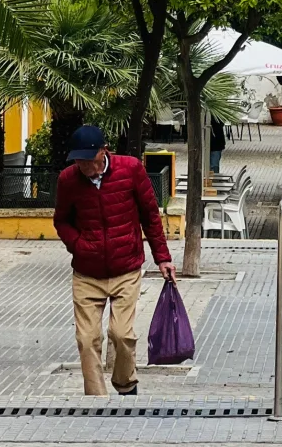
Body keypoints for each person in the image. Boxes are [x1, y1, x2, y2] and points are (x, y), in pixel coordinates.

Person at [54, 125, 176, 397]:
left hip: (126, 268)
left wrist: (163, 258)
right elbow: (61, 220)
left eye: (89, 158)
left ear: (103, 151)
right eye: (79, 160)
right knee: (87, 341)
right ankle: (96, 400)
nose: (84, 165)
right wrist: (78, 245)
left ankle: (126, 384)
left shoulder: (130, 169)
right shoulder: (68, 180)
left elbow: (150, 216)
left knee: (121, 334)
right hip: (87, 272)